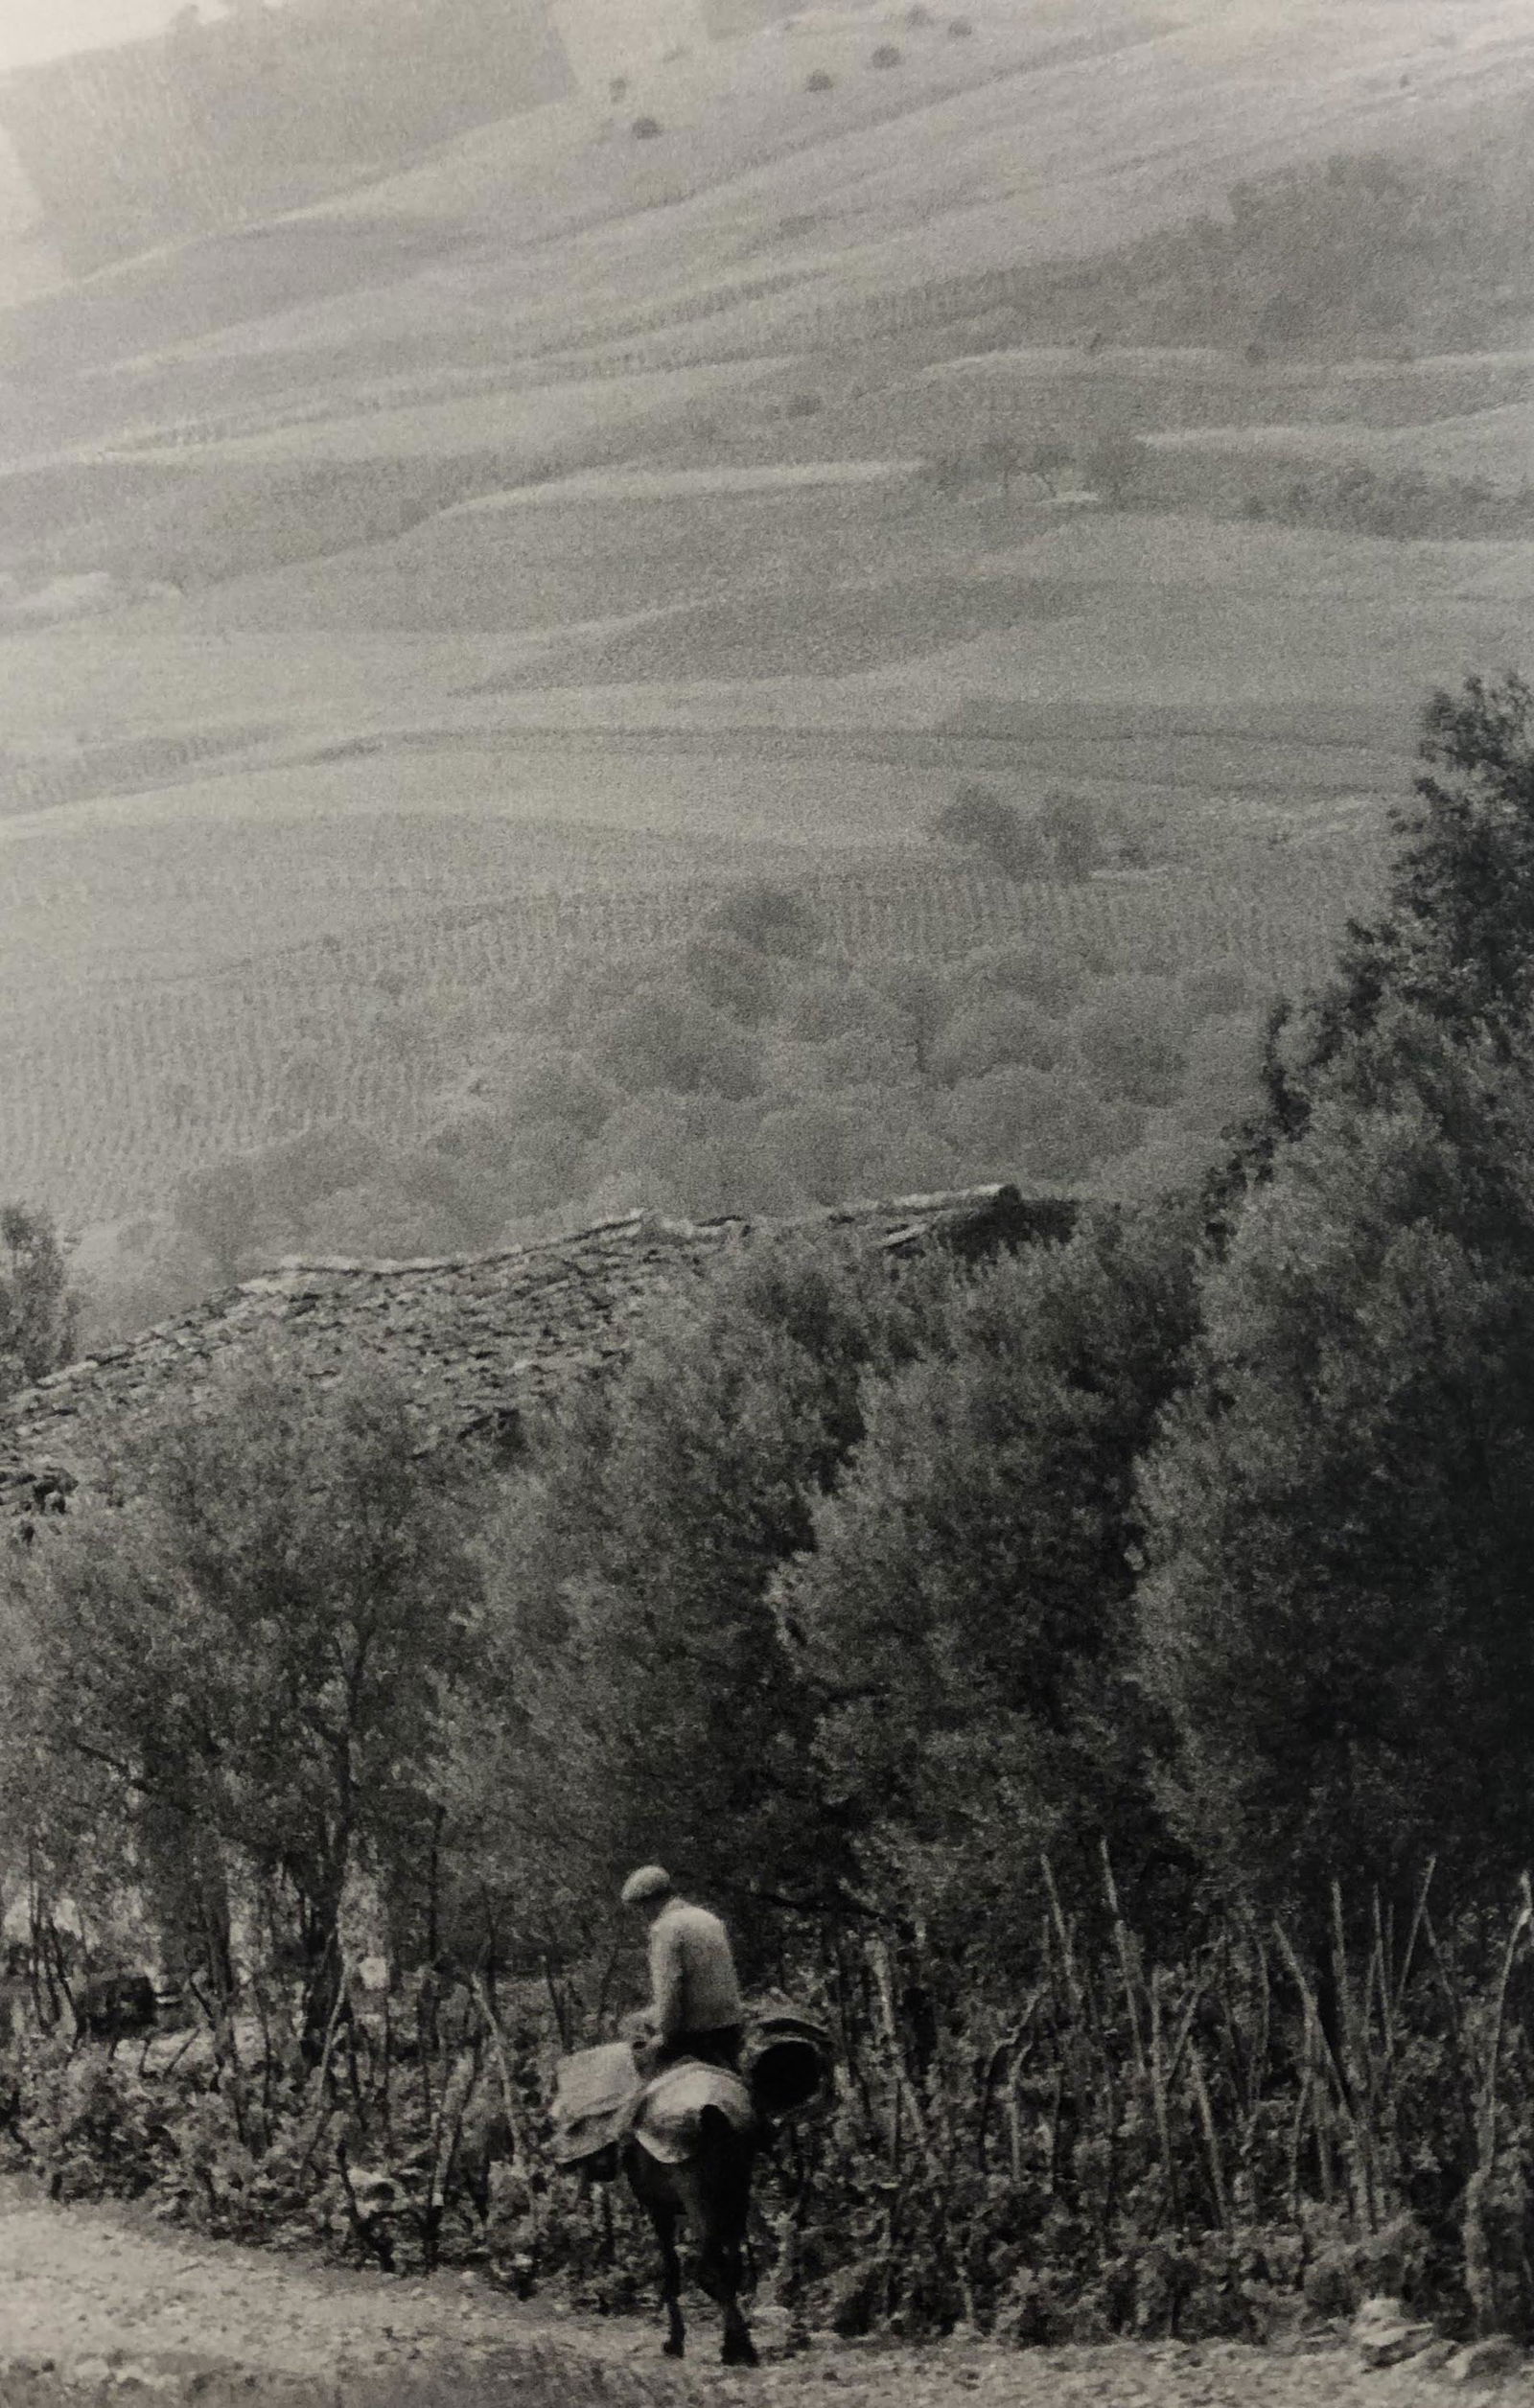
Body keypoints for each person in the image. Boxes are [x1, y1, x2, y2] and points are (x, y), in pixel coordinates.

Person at [621, 1864, 744, 2072]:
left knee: (631, 2029)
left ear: (649, 1902)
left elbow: (669, 1991)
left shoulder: (665, 1929)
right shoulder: (708, 1918)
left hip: (695, 2035)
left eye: (641, 1908)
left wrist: (665, 2037)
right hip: (731, 2026)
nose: (642, 1915)